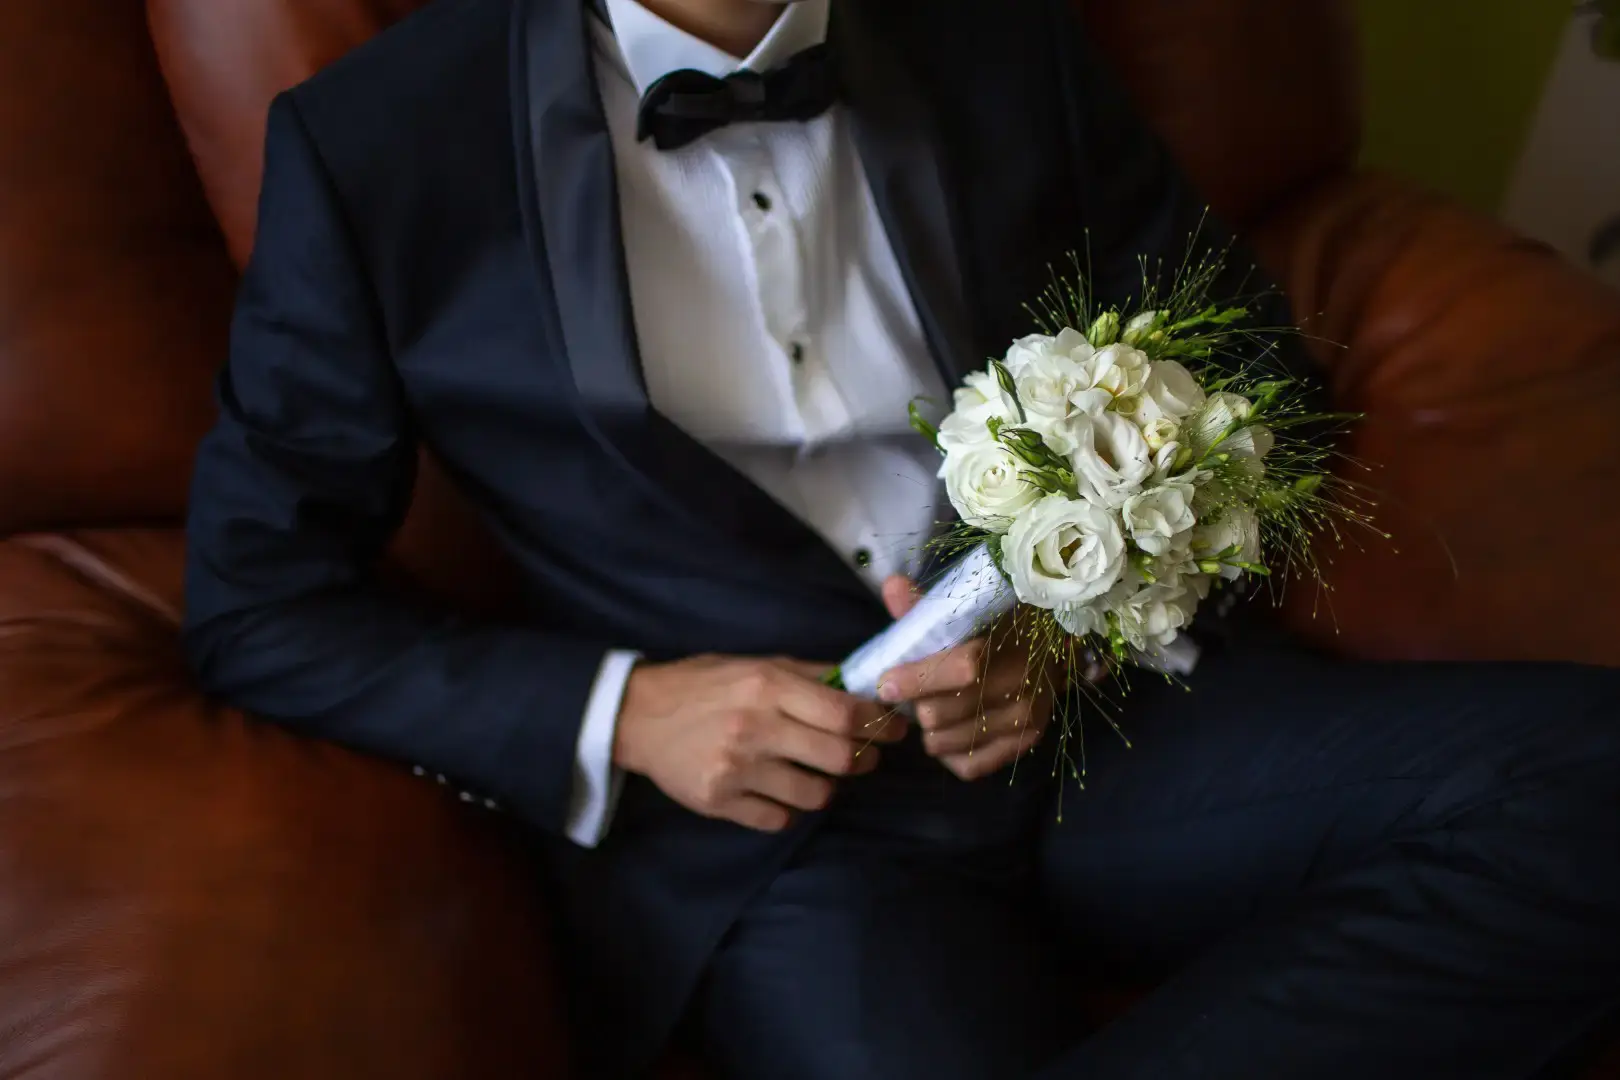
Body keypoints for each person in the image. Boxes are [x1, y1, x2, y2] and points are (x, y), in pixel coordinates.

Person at [182, 0, 1620, 1076]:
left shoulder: (992, 32)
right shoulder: (378, 144)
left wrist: (1071, 626)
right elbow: (257, 600)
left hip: (1105, 721)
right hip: (784, 845)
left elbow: (1245, 353)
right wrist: (625, 714)